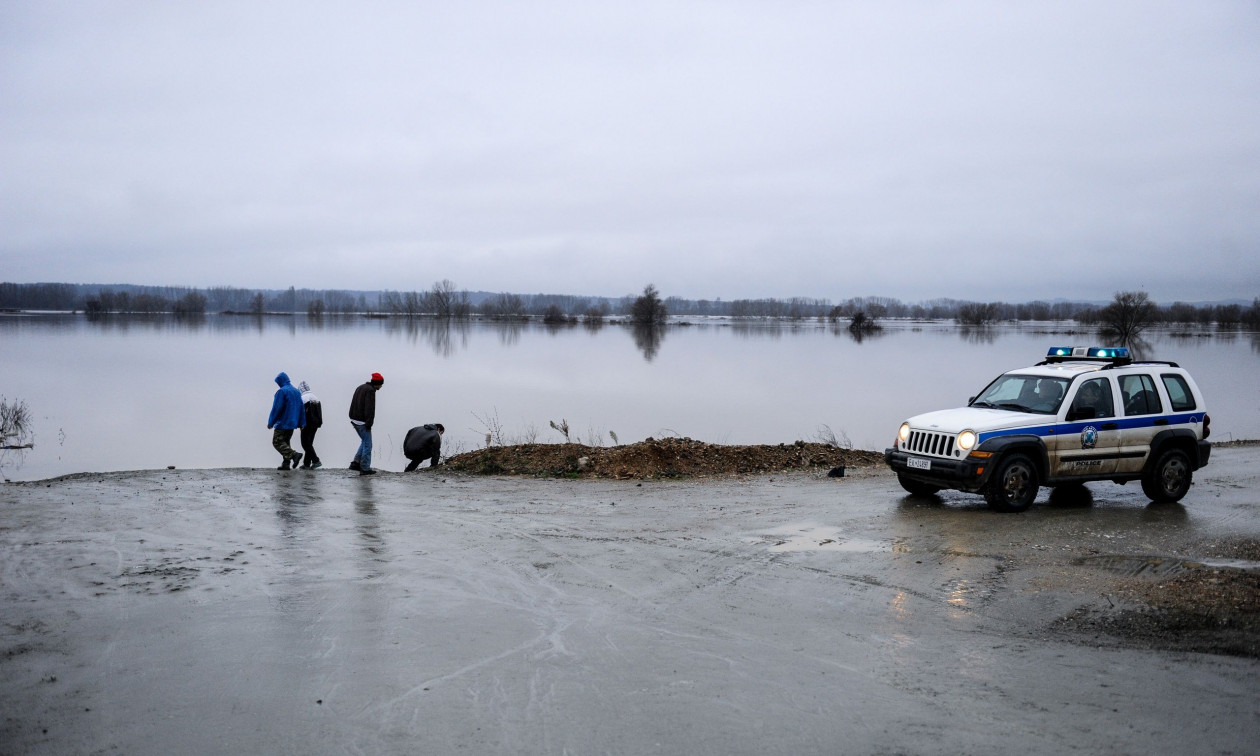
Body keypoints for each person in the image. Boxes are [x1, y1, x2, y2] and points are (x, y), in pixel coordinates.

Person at [267, 372, 305, 470]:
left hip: (283, 422)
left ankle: (294, 455)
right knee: (286, 442)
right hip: (293, 422)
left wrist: (271, 422)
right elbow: (301, 408)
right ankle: (286, 464)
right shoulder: (297, 392)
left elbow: (277, 408)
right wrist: (302, 422)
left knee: (277, 442)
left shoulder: (282, 392)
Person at [349, 372, 384, 475]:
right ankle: (364, 468)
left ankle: (355, 463)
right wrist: (369, 424)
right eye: (381, 384)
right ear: (377, 384)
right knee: (368, 445)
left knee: (364, 441)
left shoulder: (361, 387)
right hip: (362, 422)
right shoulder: (370, 391)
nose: (381, 387)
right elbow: (370, 409)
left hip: (354, 419)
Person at [297, 380, 323, 469]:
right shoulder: (315, 397)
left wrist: (300, 424)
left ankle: (316, 461)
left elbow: (302, 413)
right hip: (315, 424)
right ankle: (307, 463)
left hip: (306, 424)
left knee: (305, 443)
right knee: (309, 443)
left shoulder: (303, 398)